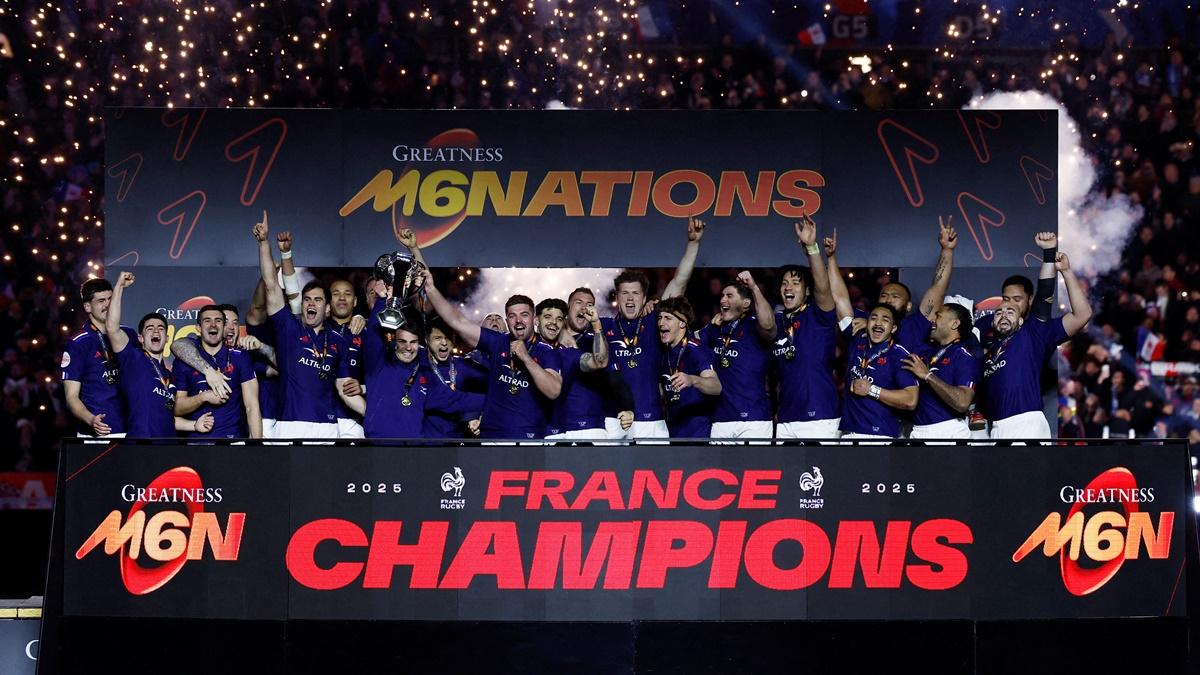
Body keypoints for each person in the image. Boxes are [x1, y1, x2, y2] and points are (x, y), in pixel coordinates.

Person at [601, 217, 705, 438]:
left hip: (652, 421)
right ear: (616, 298)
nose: (630, 299)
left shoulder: (655, 320)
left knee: (655, 473)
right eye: (624, 294)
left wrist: (693, 244)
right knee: (610, 473)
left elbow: (680, 281)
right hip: (614, 420)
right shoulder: (603, 326)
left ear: (645, 296)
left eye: (635, 293)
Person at [253, 210, 354, 438]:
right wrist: (263, 243)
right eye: (307, 299)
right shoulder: (288, 327)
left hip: (328, 428)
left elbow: (344, 386)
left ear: (327, 308)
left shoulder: (339, 340)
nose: (311, 303)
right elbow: (271, 284)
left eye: (318, 300)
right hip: (291, 425)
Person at [424, 275, 562, 439]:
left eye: (524, 315)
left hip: (529, 436)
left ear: (534, 319)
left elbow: (553, 391)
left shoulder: (546, 351)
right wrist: (431, 289)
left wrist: (526, 359)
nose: (518, 321)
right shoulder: (497, 341)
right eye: (512, 316)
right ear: (507, 320)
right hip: (491, 435)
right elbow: (457, 321)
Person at [340, 284, 485, 438]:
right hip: (379, 447)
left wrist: (499, 399)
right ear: (395, 342)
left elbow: (456, 400)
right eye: (403, 341)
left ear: (420, 344)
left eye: (413, 342)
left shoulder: (424, 376)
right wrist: (381, 300)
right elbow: (373, 336)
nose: (408, 348)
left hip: (413, 450)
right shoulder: (378, 364)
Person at [984, 251, 1093, 439]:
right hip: (995, 427)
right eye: (1001, 309)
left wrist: (1058, 263)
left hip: (1025, 423)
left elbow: (1080, 313)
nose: (1007, 310)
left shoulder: (1033, 330)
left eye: (1014, 305)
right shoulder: (991, 346)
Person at [105, 272, 211, 437]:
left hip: (167, 449)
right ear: (140, 338)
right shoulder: (133, 359)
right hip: (140, 446)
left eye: (161, 328)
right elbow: (112, 327)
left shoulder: (169, 375)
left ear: (167, 338)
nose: (156, 331)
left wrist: (195, 425)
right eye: (150, 328)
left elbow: (167, 418)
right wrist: (119, 287)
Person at [827, 218, 959, 351]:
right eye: (884, 295)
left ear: (908, 306)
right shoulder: (862, 321)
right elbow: (839, 297)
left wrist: (947, 250)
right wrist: (831, 258)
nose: (888, 299)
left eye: (895, 296)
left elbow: (939, 288)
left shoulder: (915, 326)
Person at [773, 215, 840, 439]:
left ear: (807, 291)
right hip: (785, 417)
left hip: (820, 417)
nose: (788, 287)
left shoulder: (819, 316)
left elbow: (823, 287)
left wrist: (812, 247)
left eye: (795, 283)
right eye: (784, 283)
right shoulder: (778, 322)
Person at [699, 271, 775, 439]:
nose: (722, 300)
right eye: (722, 296)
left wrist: (754, 288)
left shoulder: (755, 325)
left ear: (746, 303)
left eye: (729, 296)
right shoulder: (715, 328)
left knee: (754, 466)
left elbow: (769, 325)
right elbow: (687, 341)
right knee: (719, 466)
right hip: (720, 419)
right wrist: (708, 328)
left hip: (754, 420)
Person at [62, 278, 137, 437]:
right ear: (87, 306)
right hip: (98, 432)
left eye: (110, 299)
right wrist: (91, 420)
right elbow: (71, 397)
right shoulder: (78, 343)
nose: (108, 305)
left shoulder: (129, 334)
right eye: (101, 301)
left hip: (132, 428)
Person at [172, 305, 262, 438]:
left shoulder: (240, 357)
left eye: (218, 320)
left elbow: (252, 406)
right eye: (207, 320)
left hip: (232, 442)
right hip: (196, 444)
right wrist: (203, 397)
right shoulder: (185, 360)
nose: (213, 325)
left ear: (224, 327)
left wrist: (257, 446)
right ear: (198, 328)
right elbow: (177, 408)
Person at [901, 302, 980, 439]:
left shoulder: (963, 355)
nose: (933, 320)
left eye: (938, 316)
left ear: (954, 324)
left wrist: (928, 375)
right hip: (918, 430)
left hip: (949, 431)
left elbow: (963, 402)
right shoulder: (927, 351)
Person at [840, 303, 919, 439]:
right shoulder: (857, 343)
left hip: (878, 436)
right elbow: (840, 300)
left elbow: (911, 400)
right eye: (874, 318)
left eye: (885, 320)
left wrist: (872, 390)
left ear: (893, 328)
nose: (878, 323)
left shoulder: (899, 355)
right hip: (848, 433)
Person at [539, 296, 613, 439]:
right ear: (536, 320)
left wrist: (596, 325)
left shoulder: (568, 353)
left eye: (559, 319)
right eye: (548, 316)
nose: (554, 322)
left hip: (560, 430)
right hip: (535, 430)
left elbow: (600, 362)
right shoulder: (525, 350)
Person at [657, 296, 721, 437]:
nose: (661, 323)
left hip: (698, 436)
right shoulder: (664, 352)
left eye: (668, 318)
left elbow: (716, 386)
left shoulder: (696, 349)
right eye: (660, 318)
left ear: (682, 323)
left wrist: (692, 380)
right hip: (672, 432)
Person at [422, 317, 487, 438]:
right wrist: (491, 402)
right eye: (437, 338)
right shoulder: (420, 365)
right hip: (427, 439)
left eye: (447, 337)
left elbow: (495, 381)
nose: (444, 343)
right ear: (427, 340)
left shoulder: (463, 364)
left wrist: (476, 415)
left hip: (457, 440)